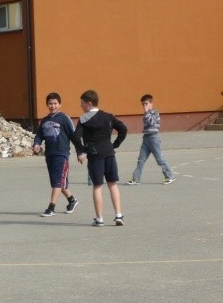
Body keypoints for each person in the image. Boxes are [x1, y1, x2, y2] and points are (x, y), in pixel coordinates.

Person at [74, 90, 127, 227]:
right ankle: (118, 215)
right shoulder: (108, 116)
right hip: (109, 153)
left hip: (95, 155)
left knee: (97, 186)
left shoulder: (83, 119)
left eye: (82, 103)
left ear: (89, 104)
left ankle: (99, 219)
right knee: (112, 184)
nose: (81, 106)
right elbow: (123, 129)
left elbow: (76, 136)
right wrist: (115, 144)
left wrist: (81, 151)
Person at [33, 92, 81, 217]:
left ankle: (51, 208)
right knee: (58, 181)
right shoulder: (45, 120)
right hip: (50, 154)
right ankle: (72, 201)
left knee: (58, 182)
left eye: (55, 103)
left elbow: (74, 136)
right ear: (46, 105)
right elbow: (39, 135)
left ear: (60, 104)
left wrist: (80, 151)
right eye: (50, 103)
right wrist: (37, 143)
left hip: (62, 154)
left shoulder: (64, 118)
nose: (52, 106)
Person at [127, 94, 175, 185]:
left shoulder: (155, 112)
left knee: (159, 159)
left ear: (151, 103)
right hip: (146, 138)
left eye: (146, 104)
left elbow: (152, 123)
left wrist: (147, 112)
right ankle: (136, 179)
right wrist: (146, 113)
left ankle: (170, 176)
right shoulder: (146, 114)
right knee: (141, 160)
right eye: (142, 104)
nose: (144, 106)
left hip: (153, 138)